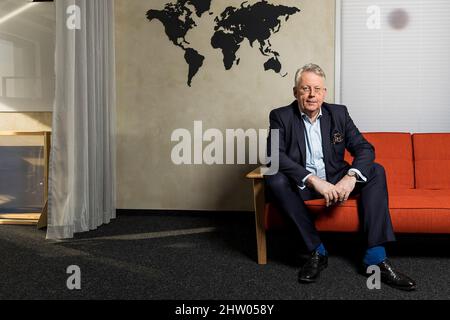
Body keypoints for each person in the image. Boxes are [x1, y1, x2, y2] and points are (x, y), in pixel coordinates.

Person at [265, 63, 416, 291]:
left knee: (376, 170)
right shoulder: (281, 116)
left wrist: (350, 177)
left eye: (317, 89)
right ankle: (317, 251)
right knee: (274, 178)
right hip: (304, 185)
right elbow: (273, 155)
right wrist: (313, 180)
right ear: (296, 92)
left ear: (324, 92)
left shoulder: (339, 113)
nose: (312, 95)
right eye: (305, 89)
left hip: (338, 180)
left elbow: (365, 148)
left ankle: (375, 257)